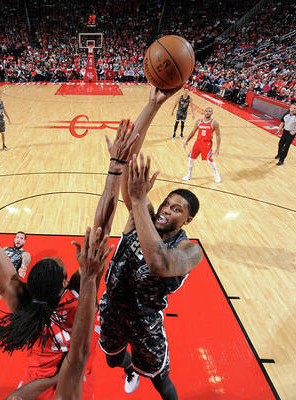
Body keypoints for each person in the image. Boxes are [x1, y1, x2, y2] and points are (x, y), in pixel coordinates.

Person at [0, 117, 138, 399]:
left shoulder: (21, 301)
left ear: (28, 283)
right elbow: (103, 226)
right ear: (66, 283)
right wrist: (115, 168)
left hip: (34, 384)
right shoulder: (77, 296)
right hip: (74, 386)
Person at [97, 87, 202, 400]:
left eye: (176, 209)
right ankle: (128, 369)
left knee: (161, 381)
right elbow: (127, 160)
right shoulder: (140, 215)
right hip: (112, 308)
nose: (167, 210)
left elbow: (159, 265)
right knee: (112, 358)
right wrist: (153, 104)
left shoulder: (190, 250)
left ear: (188, 220)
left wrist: (140, 200)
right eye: (167, 204)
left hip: (146, 323)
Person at [4, 227, 111, 400]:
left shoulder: (32, 310)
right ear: (64, 282)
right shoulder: (79, 298)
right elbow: (78, 354)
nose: (56, 259)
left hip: (42, 379)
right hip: (76, 377)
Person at [182, 106, 222, 183]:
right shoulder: (199, 121)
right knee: (190, 159)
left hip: (207, 144)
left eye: (209, 111)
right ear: (204, 112)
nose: (207, 112)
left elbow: (218, 135)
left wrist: (218, 148)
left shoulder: (214, 123)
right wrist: (187, 140)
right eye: (206, 111)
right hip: (198, 143)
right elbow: (193, 132)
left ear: (212, 113)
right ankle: (189, 175)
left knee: (210, 161)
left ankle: (216, 174)